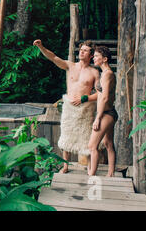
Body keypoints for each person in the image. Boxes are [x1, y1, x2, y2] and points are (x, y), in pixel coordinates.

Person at [33, 39, 101, 173]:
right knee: (66, 135)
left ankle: (89, 167)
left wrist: (84, 98)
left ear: (91, 55)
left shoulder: (94, 72)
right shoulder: (70, 66)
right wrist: (41, 46)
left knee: (86, 136)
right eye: (81, 50)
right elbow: (53, 58)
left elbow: (100, 93)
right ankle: (65, 166)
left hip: (85, 108)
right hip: (69, 107)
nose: (81, 52)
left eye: (85, 50)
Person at [87, 46, 118, 177]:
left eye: (96, 56)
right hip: (107, 113)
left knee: (92, 146)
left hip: (106, 114)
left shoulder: (108, 74)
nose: (93, 57)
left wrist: (98, 118)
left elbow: (105, 97)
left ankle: (91, 176)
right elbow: (100, 95)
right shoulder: (103, 73)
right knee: (108, 143)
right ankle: (111, 173)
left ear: (104, 59)